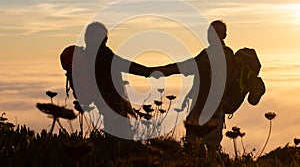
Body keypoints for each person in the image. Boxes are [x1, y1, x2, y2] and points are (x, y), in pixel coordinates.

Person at [152, 20, 236, 153]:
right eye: (209, 32)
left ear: (223, 35)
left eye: (215, 32)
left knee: (207, 145)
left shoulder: (223, 55)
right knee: (196, 144)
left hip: (213, 107)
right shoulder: (208, 52)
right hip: (199, 104)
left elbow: (191, 66)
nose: (211, 35)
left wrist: (163, 71)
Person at [67, 22, 153, 139]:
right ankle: (115, 152)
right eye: (98, 35)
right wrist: (149, 72)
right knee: (120, 134)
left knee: (113, 128)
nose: (102, 38)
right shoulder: (103, 56)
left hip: (102, 101)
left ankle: (111, 148)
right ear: (90, 37)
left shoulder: (88, 54)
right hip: (111, 100)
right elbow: (126, 65)